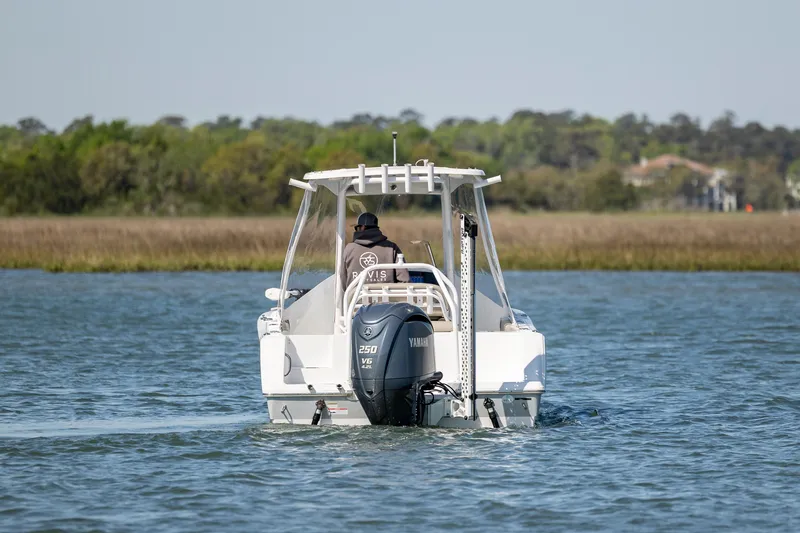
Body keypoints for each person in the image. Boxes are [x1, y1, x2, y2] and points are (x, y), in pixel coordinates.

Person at [340, 212, 410, 290]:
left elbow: (343, 281)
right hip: (386, 300)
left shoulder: (349, 249)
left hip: (356, 300)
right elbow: (404, 280)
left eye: (357, 228)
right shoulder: (392, 248)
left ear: (362, 227)